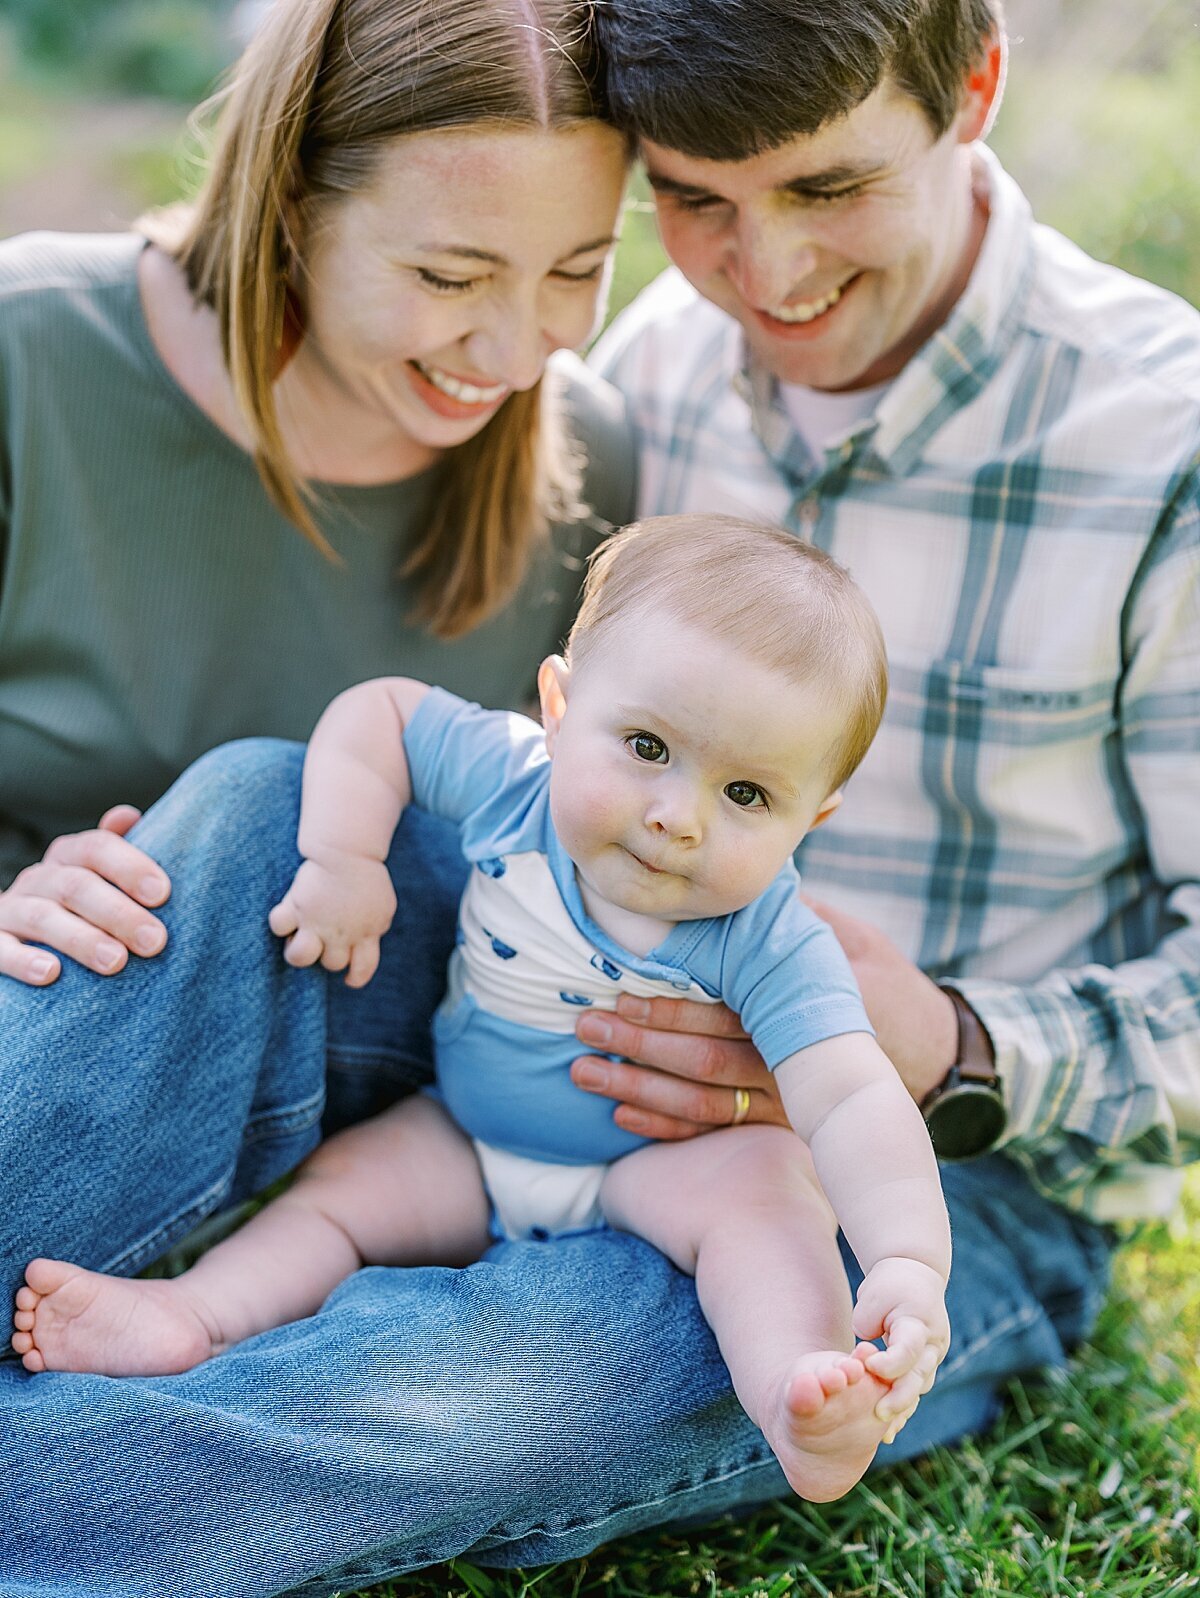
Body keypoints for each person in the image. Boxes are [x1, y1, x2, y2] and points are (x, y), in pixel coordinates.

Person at [1, 2, 1197, 1595]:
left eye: (828, 190)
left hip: (910, 1157)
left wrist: (954, 1046)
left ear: (975, 85)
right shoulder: (635, 385)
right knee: (265, 805)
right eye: (695, 202)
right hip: (536, 1017)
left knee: (540, 1365)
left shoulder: (1165, 444)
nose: (765, 278)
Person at [13, 516, 952, 1503]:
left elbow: (850, 1096)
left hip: (652, 1165)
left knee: (766, 1205)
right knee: (339, 1195)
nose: (679, 814)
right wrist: (345, 857)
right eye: (646, 745)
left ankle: (800, 1398)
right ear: (559, 704)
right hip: (466, 1129)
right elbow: (382, 715)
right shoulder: (515, 781)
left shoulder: (769, 936)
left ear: (814, 818)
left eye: (749, 793)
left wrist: (905, 1257)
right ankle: (196, 1312)